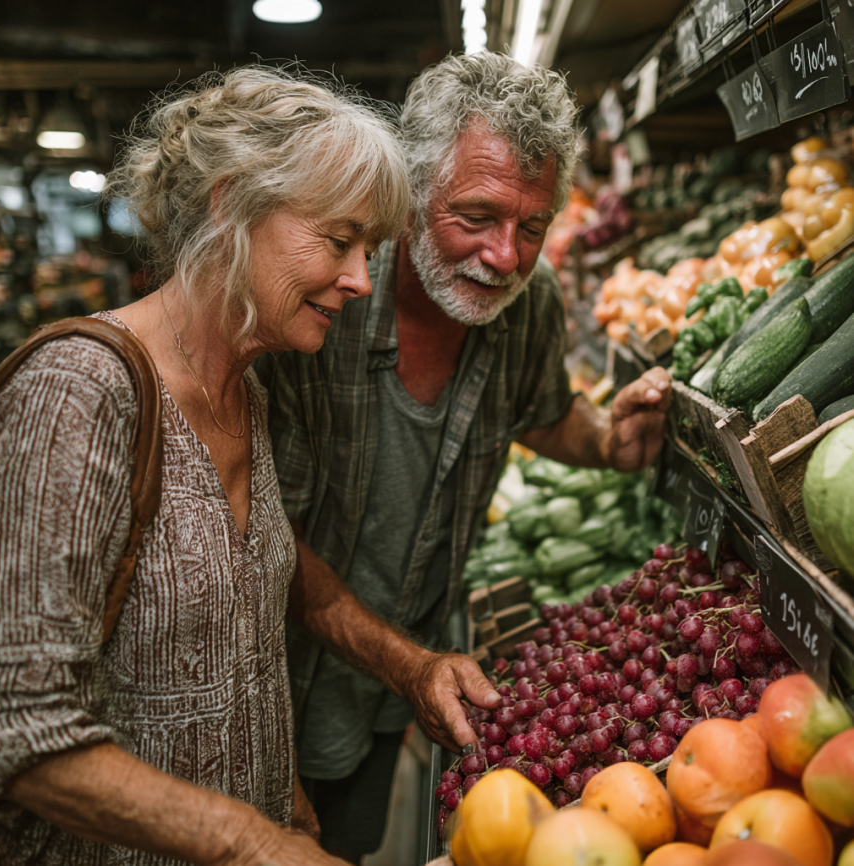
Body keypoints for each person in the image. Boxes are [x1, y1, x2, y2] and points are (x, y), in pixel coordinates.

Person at [0, 66, 498, 866]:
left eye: (369, 249)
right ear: (231, 204)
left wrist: (276, 775)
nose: (362, 280)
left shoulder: (244, 389)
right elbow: (16, 726)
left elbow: (256, 582)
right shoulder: (79, 393)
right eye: (338, 240)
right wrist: (247, 841)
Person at [257, 51, 672, 863]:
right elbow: (263, 531)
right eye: (476, 216)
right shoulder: (322, 303)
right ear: (410, 195)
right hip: (275, 684)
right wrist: (408, 663)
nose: (506, 256)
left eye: (532, 226)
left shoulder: (531, 304)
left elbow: (545, 413)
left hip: (389, 697)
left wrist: (608, 443)